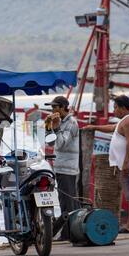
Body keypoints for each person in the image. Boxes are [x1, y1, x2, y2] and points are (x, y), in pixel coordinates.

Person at [84, 95, 129, 233]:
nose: (114, 110)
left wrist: (126, 163)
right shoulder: (124, 121)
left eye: (116, 107)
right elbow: (112, 127)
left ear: (123, 108)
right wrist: (95, 127)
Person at [45, 96, 80, 241]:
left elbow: (61, 144)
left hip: (68, 169)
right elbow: (51, 144)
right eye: (52, 107)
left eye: (56, 107)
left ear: (64, 107)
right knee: (64, 202)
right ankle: (68, 232)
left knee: (68, 202)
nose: (53, 110)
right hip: (60, 168)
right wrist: (49, 128)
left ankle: (68, 234)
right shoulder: (59, 123)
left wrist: (57, 127)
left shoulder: (71, 123)